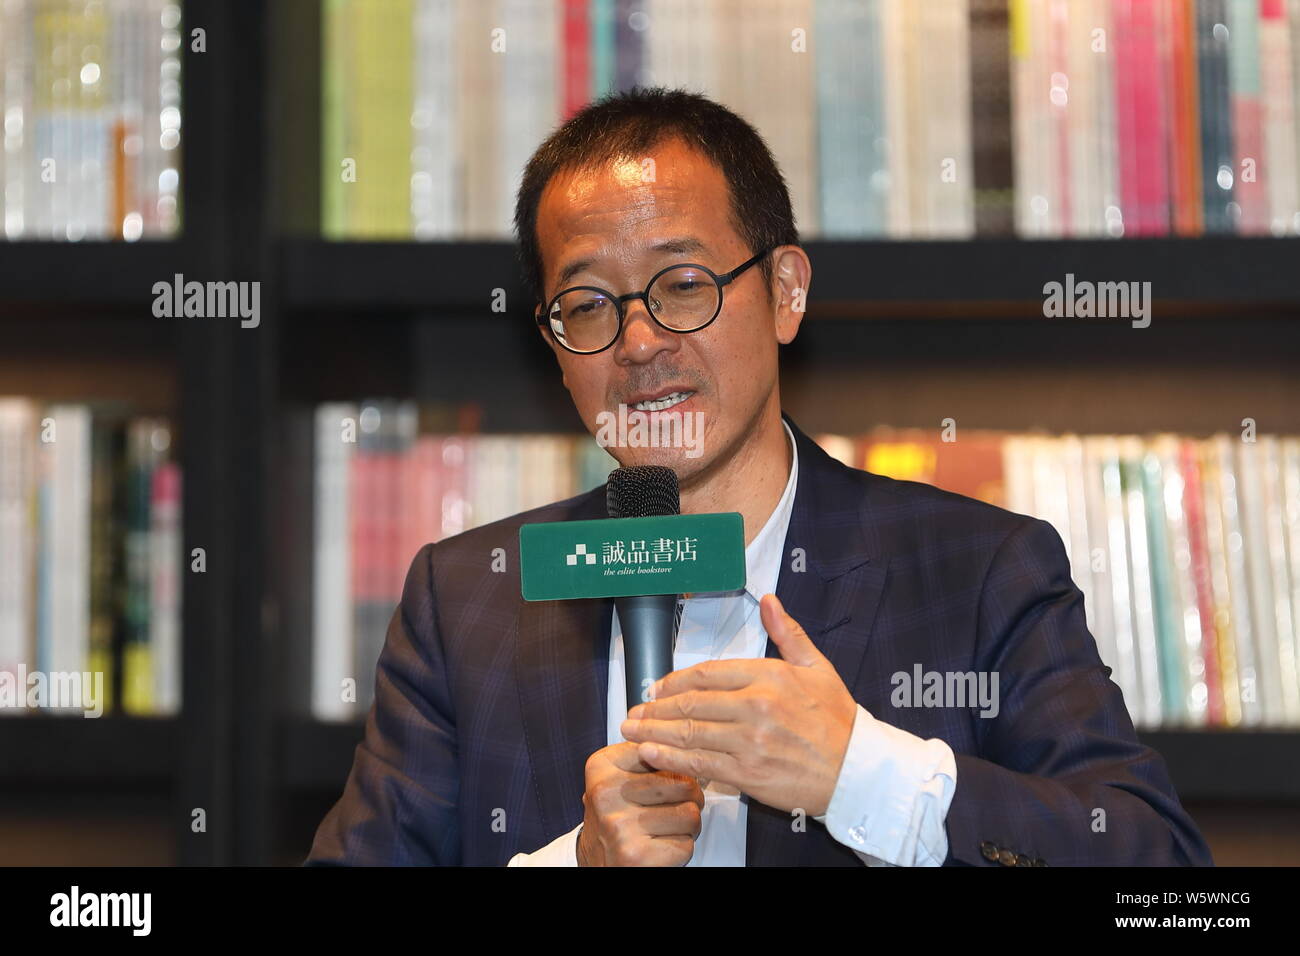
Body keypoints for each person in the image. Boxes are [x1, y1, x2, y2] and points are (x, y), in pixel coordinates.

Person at [307, 87, 1213, 867]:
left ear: (785, 291)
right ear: (552, 345)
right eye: (586, 305)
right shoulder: (467, 601)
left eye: (684, 284)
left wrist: (859, 772)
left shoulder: (978, 570)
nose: (639, 343)